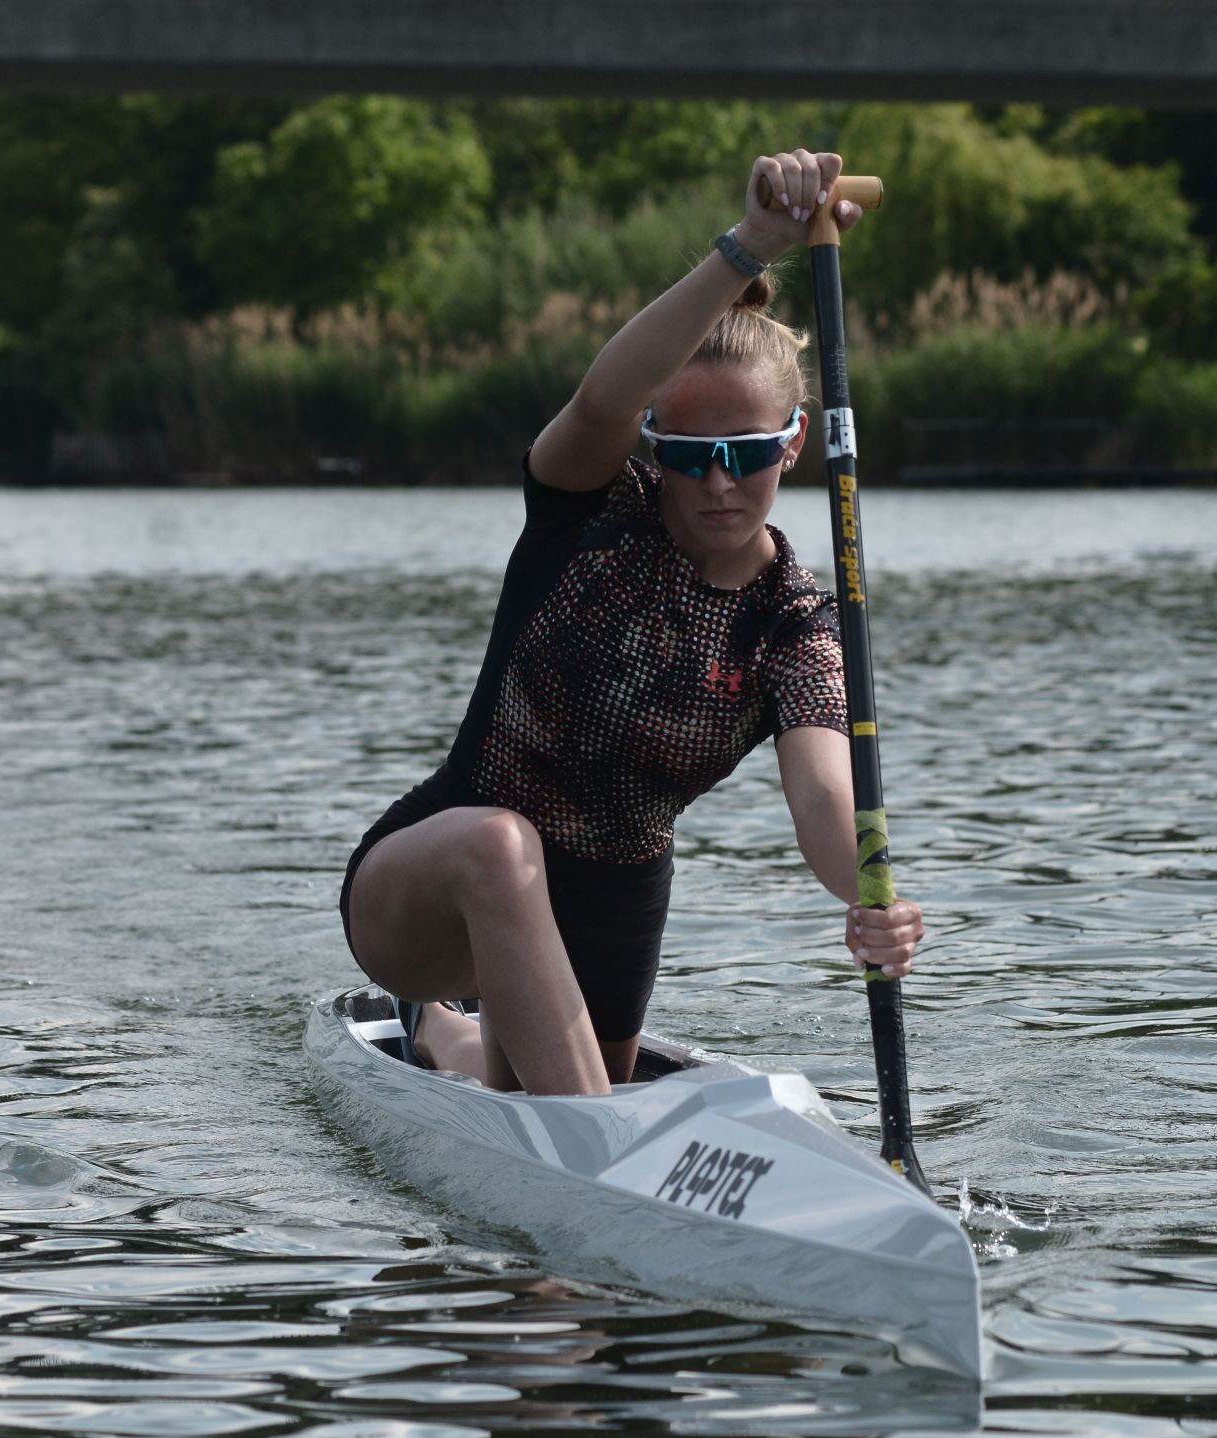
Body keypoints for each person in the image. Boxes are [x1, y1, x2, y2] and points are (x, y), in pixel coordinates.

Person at [338, 148, 926, 1096]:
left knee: (524, 1094)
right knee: (502, 845)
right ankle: (458, 1015)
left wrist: (869, 892)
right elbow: (604, 397)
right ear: (655, 442)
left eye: (746, 452)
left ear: (795, 443)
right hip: (438, 877)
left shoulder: (798, 622)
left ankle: (444, 1040)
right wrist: (750, 246)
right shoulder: (596, 505)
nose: (719, 482)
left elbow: (823, 797)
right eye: (689, 454)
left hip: (615, 900)